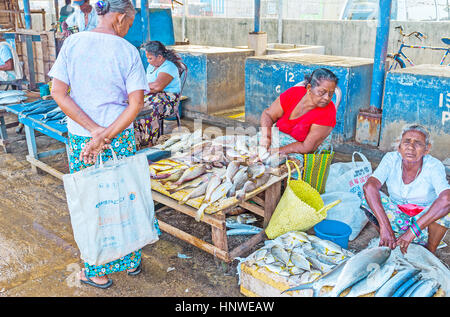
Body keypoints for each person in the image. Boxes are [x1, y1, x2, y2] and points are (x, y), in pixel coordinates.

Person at [49, 0, 150, 289]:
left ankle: (97, 271)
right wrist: (105, 134)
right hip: (119, 137)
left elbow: (59, 92)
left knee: (93, 202)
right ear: (119, 17)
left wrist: (94, 131)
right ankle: (131, 260)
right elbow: (136, 104)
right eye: (129, 22)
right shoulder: (127, 51)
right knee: (125, 196)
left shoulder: (72, 44)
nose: (128, 28)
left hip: (84, 138)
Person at [362, 124, 450, 255]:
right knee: (368, 195)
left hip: (423, 224)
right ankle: (389, 238)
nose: (410, 147)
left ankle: (429, 251)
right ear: (399, 147)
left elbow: (447, 198)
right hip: (396, 218)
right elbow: (369, 187)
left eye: (418, 143)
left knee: (445, 208)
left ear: (427, 149)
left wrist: (411, 232)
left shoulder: (433, 165)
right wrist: (385, 227)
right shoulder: (391, 159)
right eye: (406, 142)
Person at [259, 68, 338, 171]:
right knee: (247, 150)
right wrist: (266, 137)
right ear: (309, 88)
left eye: (331, 94)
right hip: (277, 140)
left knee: (280, 167)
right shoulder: (294, 94)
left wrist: (277, 151)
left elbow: (306, 147)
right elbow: (268, 115)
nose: (327, 98)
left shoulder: (328, 113)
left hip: (300, 151)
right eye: (322, 92)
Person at [133, 40, 182, 149]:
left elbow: (157, 86)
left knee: (149, 109)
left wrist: (137, 87)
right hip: (153, 96)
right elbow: (148, 85)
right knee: (136, 107)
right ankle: (140, 142)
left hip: (169, 100)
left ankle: (151, 143)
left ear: (159, 57)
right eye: (147, 58)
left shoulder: (169, 67)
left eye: (150, 58)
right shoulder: (151, 66)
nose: (148, 61)